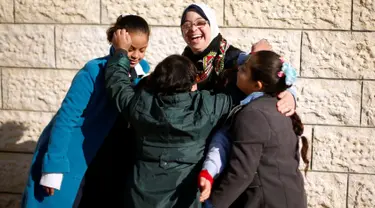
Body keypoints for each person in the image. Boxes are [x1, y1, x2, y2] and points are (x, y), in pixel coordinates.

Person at [21, 15, 150, 208]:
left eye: (142, 50)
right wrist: (54, 165)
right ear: (117, 41)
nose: (136, 55)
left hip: (111, 162)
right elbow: (66, 118)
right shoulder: (93, 71)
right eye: (130, 49)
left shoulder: (141, 73)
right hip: (79, 158)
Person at [104, 28, 235, 208]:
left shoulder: (141, 104)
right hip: (184, 197)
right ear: (193, 84)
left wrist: (120, 52)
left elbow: (117, 83)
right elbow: (240, 92)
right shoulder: (208, 106)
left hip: (140, 197)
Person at [199, 51, 308, 208]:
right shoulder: (279, 107)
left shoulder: (253, 114)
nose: (239, 70)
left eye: (244, 70)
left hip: (267, 201)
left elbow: (241, 173)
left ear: (257, 85)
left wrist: (212, 204)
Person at [180, 3, 296, 113]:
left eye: (200, 23)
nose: (193, 29)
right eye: (187, 25)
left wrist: (289, 94)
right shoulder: (182, 62)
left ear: (212, 25)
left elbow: (272, 73)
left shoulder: (234, 58)